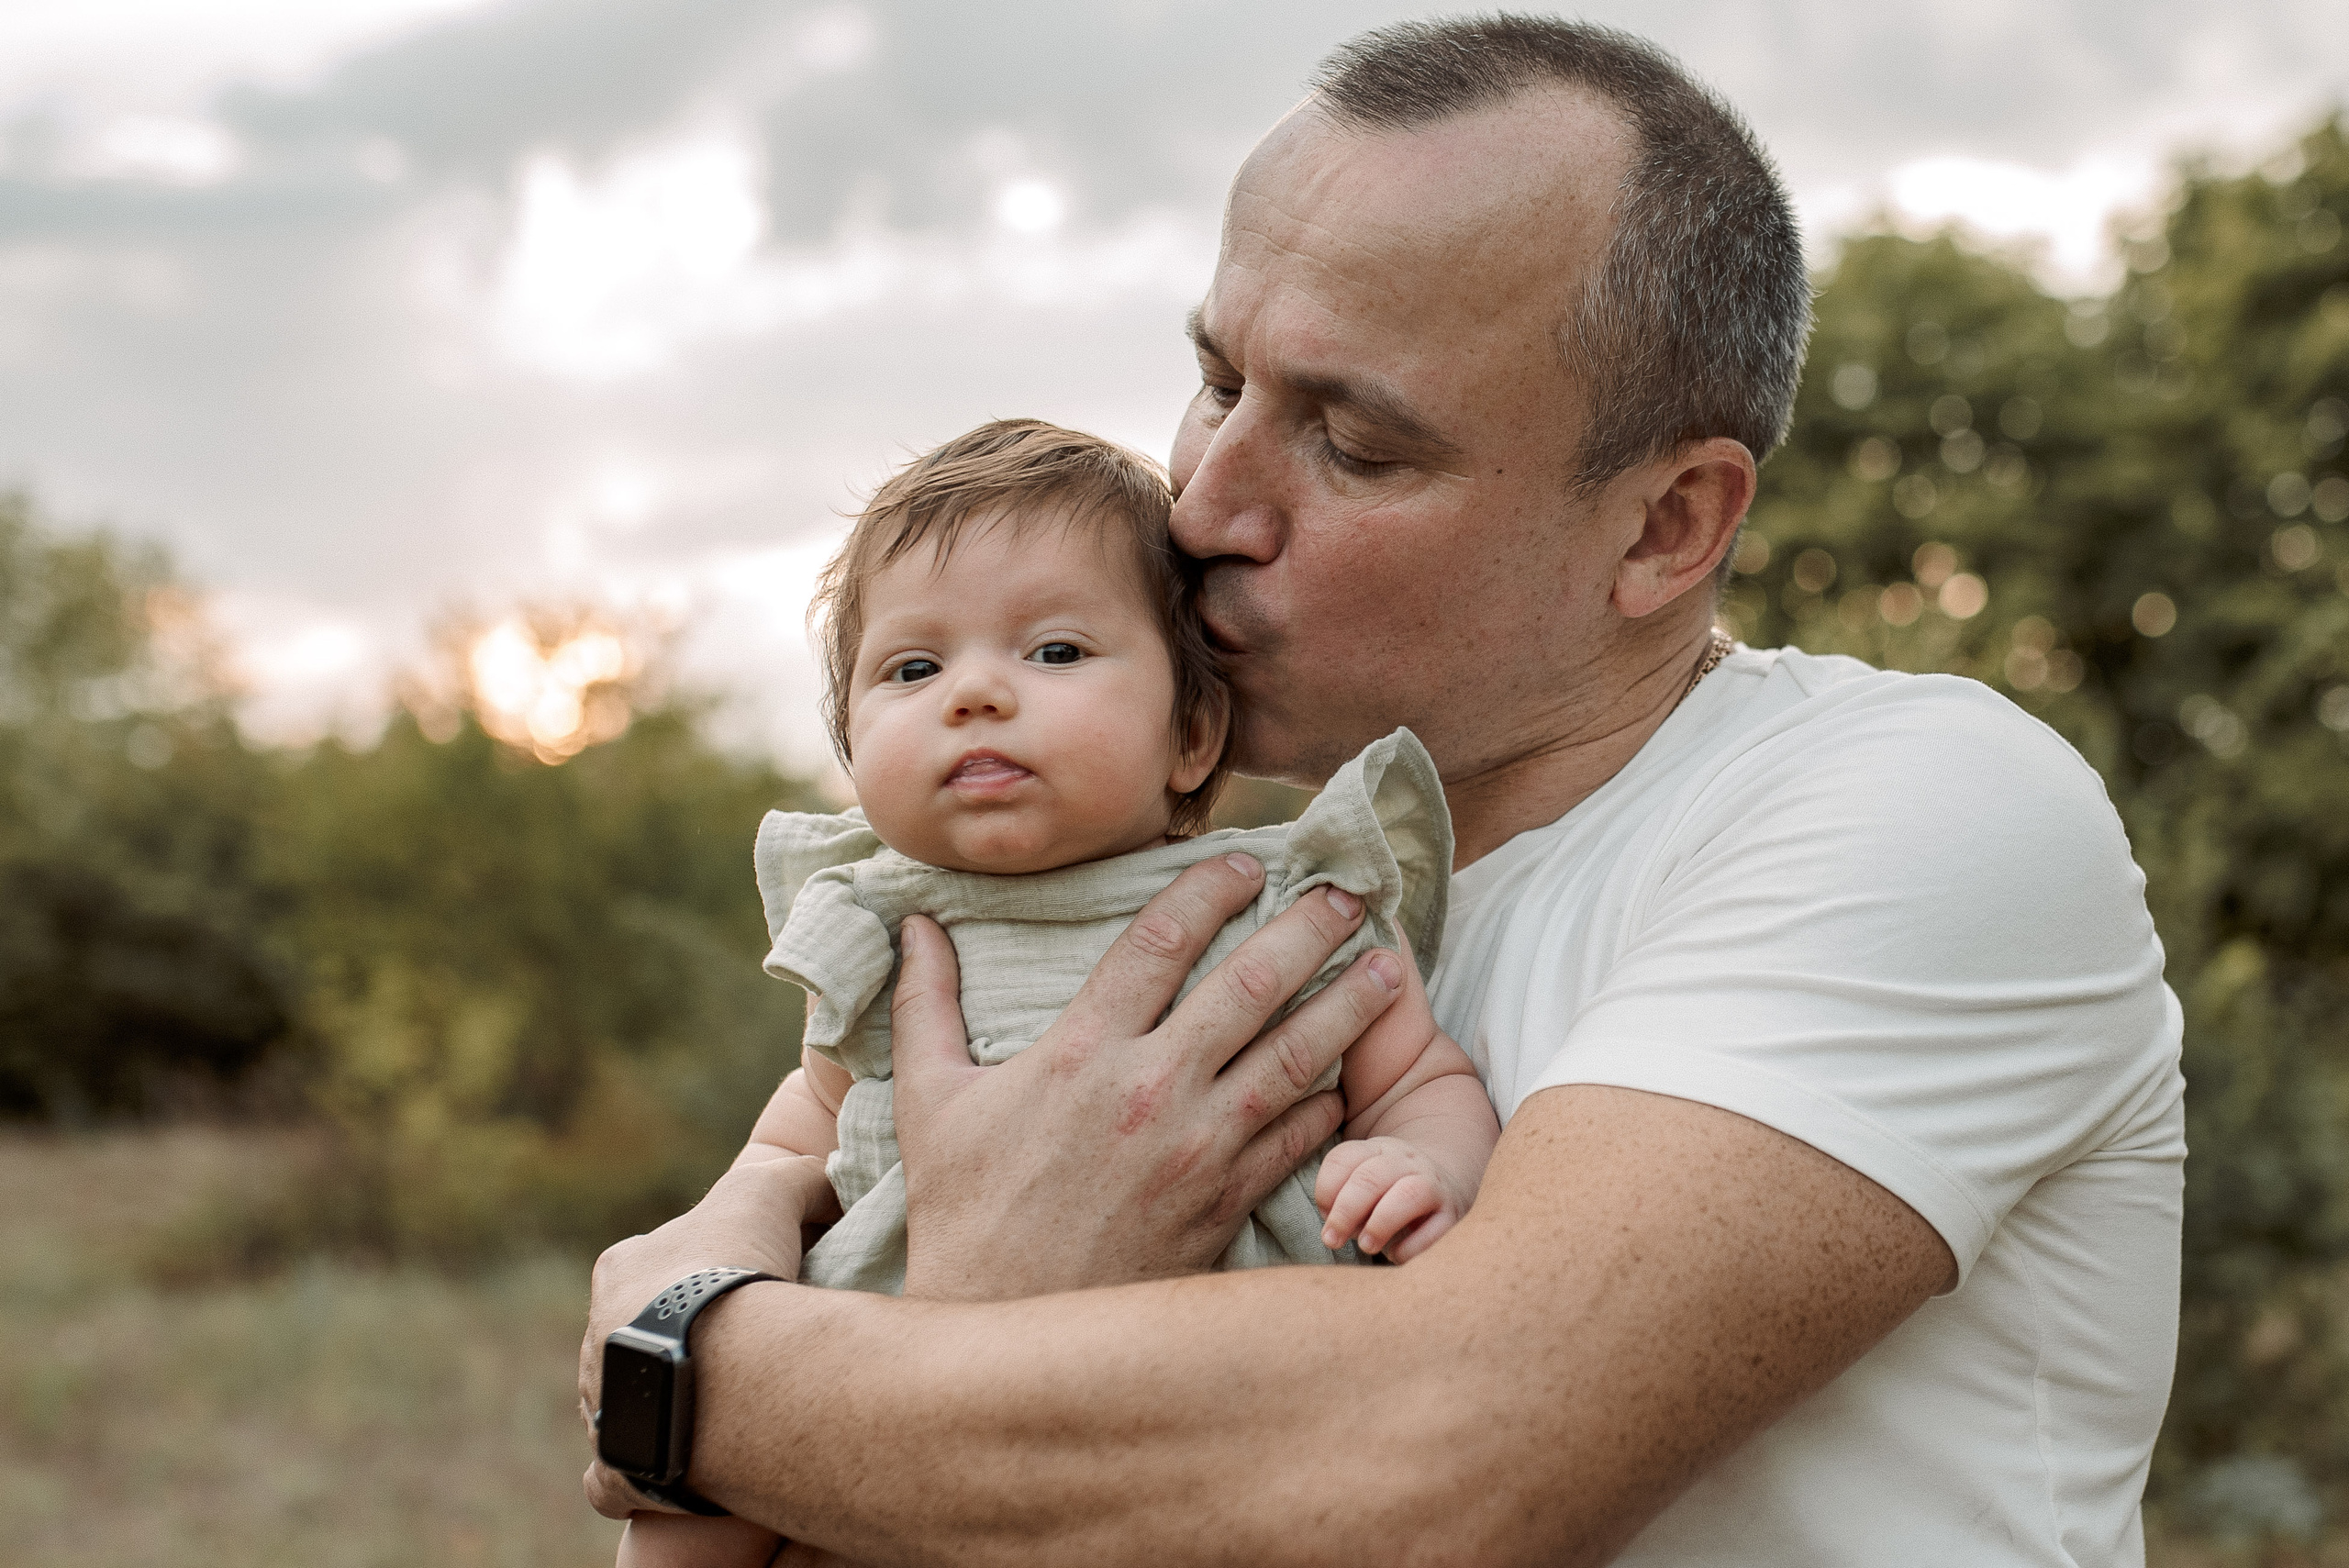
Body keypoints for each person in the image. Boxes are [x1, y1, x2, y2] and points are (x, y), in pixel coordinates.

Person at [583, 17, 2185, 1565]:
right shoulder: (1209, 898)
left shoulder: (1917, 806)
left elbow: (1432, 1465)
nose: (1201, 506)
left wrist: (692, 1370)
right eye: (1219, 380)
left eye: (1352, 442)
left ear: (1665, 526)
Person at [616, 418, 1499, 1568]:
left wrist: (1425, 1163)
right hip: (867, 1381)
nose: (976, 693)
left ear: (1192, 733)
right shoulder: (876, 923)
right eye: (913, 669)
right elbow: (804, 1132)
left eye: (1055, 651)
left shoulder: (1280, 905)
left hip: (1212, 1389)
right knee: (703, 1466)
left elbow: (1421, 1076)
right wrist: (725, 1238)